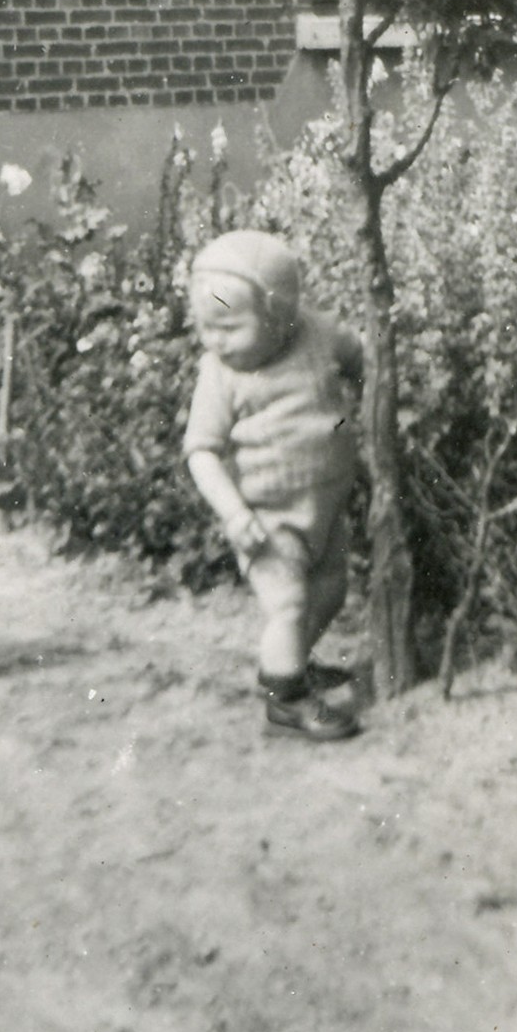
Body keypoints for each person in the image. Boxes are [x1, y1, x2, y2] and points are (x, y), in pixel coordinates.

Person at [183, 229, 363, 741]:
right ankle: (285, 701)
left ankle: (291, 663)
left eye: (229, 326)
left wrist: (372, 384)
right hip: (267, 520)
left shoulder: (318, 333)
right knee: (288, 605)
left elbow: (360, 355)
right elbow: (201, 451)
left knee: (330, 591)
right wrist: (234, 513)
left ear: (280, 314)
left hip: (324, 506)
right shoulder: (220, 374)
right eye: (205, 326)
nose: (214, 340)